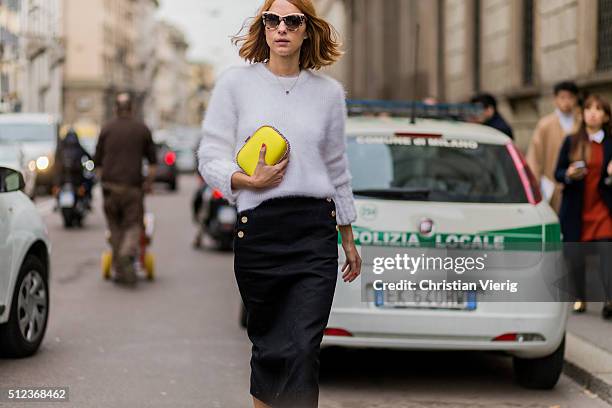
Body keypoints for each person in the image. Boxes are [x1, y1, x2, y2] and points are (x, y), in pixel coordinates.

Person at [198, 1, 361, 406]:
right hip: (260, 232)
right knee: (270, 348)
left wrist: (348, 236)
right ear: (264, 28)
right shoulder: (236, 85)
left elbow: (338, 168)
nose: (282, 28)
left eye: (293, 20)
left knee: (303, 350)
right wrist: (246, 179)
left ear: (308, 29)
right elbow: (209, 156)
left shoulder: (328, 94)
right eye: (273, 20)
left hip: (313, 233)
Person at [554, 95, 612, 319]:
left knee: (606, 252)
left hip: (603, 208)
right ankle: (580, 296)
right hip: (577, 208)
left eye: (598, 109)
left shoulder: (610, 143)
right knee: (576, 256)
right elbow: (556, 172)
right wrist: (568, 174)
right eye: (589, 108)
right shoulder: (572, 141)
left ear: (606, 116)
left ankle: (609, 299)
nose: (593, 113)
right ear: (583, 114)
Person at [93, 93, 157, 285]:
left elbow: (97, 164)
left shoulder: (106, 129)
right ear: (132, 109)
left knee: (114, 227)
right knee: (133, 225)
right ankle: (127, 254)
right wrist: (148, 183)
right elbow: (152, 164)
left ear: (115, 109)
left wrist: (103, 182)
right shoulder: (142, 129)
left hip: (110, 188)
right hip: (132, 188)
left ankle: (120, 270)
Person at [526, 81, 581, 213]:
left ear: (576, 99)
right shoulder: (545, 125)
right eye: (562, 97)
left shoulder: (581, 122)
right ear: (555, 99)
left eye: (570, 97)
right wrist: (535, 184)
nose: (566, 102)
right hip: (549, 185)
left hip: (576, 184)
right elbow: (535, 157)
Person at [53, 129, 92, 199]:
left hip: (64, 177)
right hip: (75, 177)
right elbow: (88, 156)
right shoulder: (78, 147)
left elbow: (56, 163)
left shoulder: (61, 148)